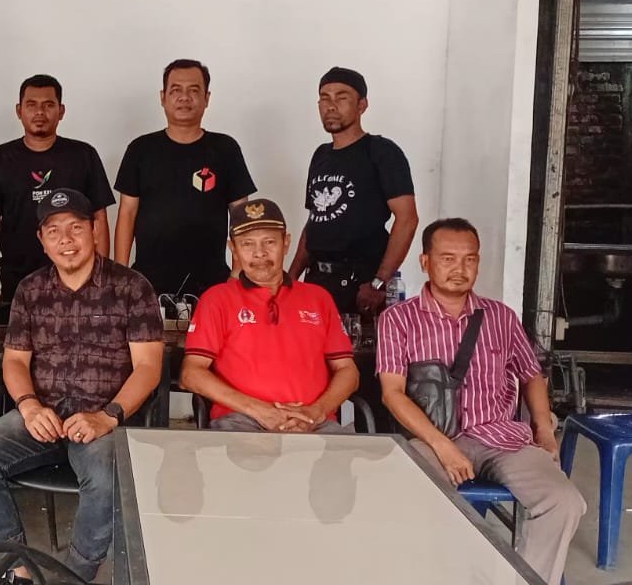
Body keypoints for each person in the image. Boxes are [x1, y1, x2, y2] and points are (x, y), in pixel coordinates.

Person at [0, 189, 164, 583]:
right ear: (42, 239)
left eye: (75, 228)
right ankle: (16, 566)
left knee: (104, 474)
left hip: (102, 421)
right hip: (44, 415)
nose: (66, 240)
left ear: (95, 230)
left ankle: (72, 575)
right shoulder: (31, 290)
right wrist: (29, 406)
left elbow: (148, 367)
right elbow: (15, 361)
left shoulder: (132, 287)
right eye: (53, 231)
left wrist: (108, 416)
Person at [378, 218, 584, 585]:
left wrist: (543, 428)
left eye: (469, 259)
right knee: (411, 494)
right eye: (447, 258)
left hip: (502, 439)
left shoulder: (501, 317)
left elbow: (531, 375)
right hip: (434, 438)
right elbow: (392, 393)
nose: (459, 269)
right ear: (425, 262)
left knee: (563, 502)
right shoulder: (398, 319)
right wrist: (442, 446)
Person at [180, 198, 358, 432]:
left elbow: (348, 371)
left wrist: (317, 410)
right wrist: (259, 411)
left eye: (269, 242)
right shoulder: (217, 299)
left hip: (314, 422)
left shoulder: (318, 298)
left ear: (286, 243)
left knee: (352, 455)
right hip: (243, 421)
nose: (259, 253)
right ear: (233, 249)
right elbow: (191, 374)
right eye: (247, 244)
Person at [114, 58, 255, 299]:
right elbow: (127, 213)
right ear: (163, 97)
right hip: (148, 283)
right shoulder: (140, 149)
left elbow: (240, 215)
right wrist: (121, 275)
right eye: (176, 90)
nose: (184, 97)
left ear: (207, 98)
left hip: (212, 283)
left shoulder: (225, 149)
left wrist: (237, 273)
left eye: (194, 90)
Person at [288, 67, 418, 318]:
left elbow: (407, 219)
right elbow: (315, 220)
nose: (331, 105)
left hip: (362, 284)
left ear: (362, 105)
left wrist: (379, 282)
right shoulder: (321, 155)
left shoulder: (381, 152)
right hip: (317, 280)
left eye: (342, 97)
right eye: (324, 98)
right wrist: (292, 277)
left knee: (358, 344)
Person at [0, 74, 115, 300]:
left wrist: (100, 274)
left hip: (77, 276)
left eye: (48, 105)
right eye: (31, 105)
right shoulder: (0, 158)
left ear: (61, 111)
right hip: (16, 277)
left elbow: (99, 217)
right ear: (19, 110)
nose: (40, 112)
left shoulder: (83, 155)